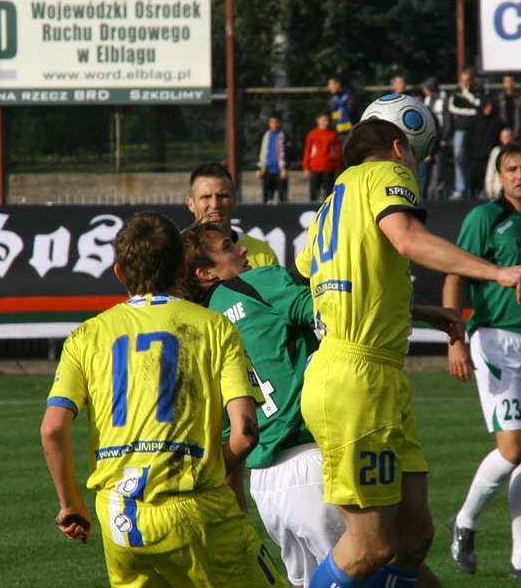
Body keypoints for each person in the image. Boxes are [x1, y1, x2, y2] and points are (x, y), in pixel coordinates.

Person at [296, 119, 521, 588]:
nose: (416, 163)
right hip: (356, 376)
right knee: (372, 546)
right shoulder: (389, 172)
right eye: (415, 152)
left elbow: (319, 276)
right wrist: (498, 273)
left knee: (414, 535)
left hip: (368, 372)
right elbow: (408, 238)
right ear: (396, 147)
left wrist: (423, 309)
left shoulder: (332, 203)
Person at [180, 223, 446, 588]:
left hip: (265, 485)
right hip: (311, 461)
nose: (242, 251)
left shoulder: (201, 326)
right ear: (205, 272)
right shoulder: (257, 283)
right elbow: (332, 312)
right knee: (381, 560)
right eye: (228, 247)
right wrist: (417, 309)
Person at [40, 211, 285, 588]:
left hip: (119, 518)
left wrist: (72, 505)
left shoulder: (84, 336)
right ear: (183, 266)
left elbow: (53, 428)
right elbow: (246, 432)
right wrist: (212, 473)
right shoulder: (214, 326)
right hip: (197, 508)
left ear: (120, 273)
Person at [444, 141, 521, 580]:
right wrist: (455, 339)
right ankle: (465, 520)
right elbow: (456, 273)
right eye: (511, 168)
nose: (520, 174)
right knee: (513, 447)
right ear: (501, 175)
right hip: (497, 340)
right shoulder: (486, 218)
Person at [187, 161, 280, 268]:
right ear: (191, 204)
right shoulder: (177, 253)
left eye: (222, 196)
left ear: (234, 201)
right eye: (206, 197)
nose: (215, 204)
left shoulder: (263, 253)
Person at [447, 66, 484, 199]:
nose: (465, 83)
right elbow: (452, 108)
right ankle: (460, 188)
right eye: (463, 81)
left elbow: (479, 106)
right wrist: (470, 111)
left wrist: (467, 94)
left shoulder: (478, 90)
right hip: (461, 129)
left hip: (476, 131)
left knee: (476, 160)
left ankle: (478, 189)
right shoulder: (456, 91)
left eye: (467, 81)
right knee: (459, 157)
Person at [418, 76, 449, 200]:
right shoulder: (427, 102)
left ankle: (438, 193)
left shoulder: (443, 100)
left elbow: (446, 120)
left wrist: (445, 138)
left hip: (439, 138)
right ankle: (423, 194)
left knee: (439, 168)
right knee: (425, 168)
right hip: (430, 140)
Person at [303, 112, 343, 202]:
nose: (326, 122)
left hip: (328, 167)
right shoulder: (312, 134)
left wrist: (338, 167)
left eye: (327, 120)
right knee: (314, 191)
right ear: (318, 121)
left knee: (328, 192)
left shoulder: (332, 134)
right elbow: (307, 151)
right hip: (315, 167)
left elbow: (337, 153)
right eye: (323, 120)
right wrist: (306, 167)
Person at [472, 101, 504, 200]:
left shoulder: (497, 123)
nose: (489, 109)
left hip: (489, 155)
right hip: (476, 156)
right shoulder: (476, 121)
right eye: (487, 106)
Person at [257, 113, 291, 204]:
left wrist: (285, 168)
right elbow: (261, 152)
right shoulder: (266, 135)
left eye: (276, 122)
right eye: (272, 122)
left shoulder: (284, 136)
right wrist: (260, 168)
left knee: (282, 196)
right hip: (267, 170)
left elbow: (288, 153)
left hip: (279, 171)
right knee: (267, 197)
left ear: (280, 123)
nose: (274, 124)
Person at [327, 75, 363, 147]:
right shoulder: (332, 101)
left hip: (352, 134)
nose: (329, 87)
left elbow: (360, 114)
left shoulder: (352, 98)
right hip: (337, 134)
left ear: (338, 85)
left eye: (330, 84)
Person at [495, 74, 521, 142]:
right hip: (504, 135)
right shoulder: (499, 99)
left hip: (519, 133)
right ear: (503, 84)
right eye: (506, 82)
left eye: (511, 81)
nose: (509, 84)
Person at [485, 127, 514, 201]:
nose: (507, 139)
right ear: (501, 138)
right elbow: (491, 170)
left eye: (509, 136)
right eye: (505, 137)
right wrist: (489, 188)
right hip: (498, 188)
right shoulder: (496, 151)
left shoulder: (518, 152)